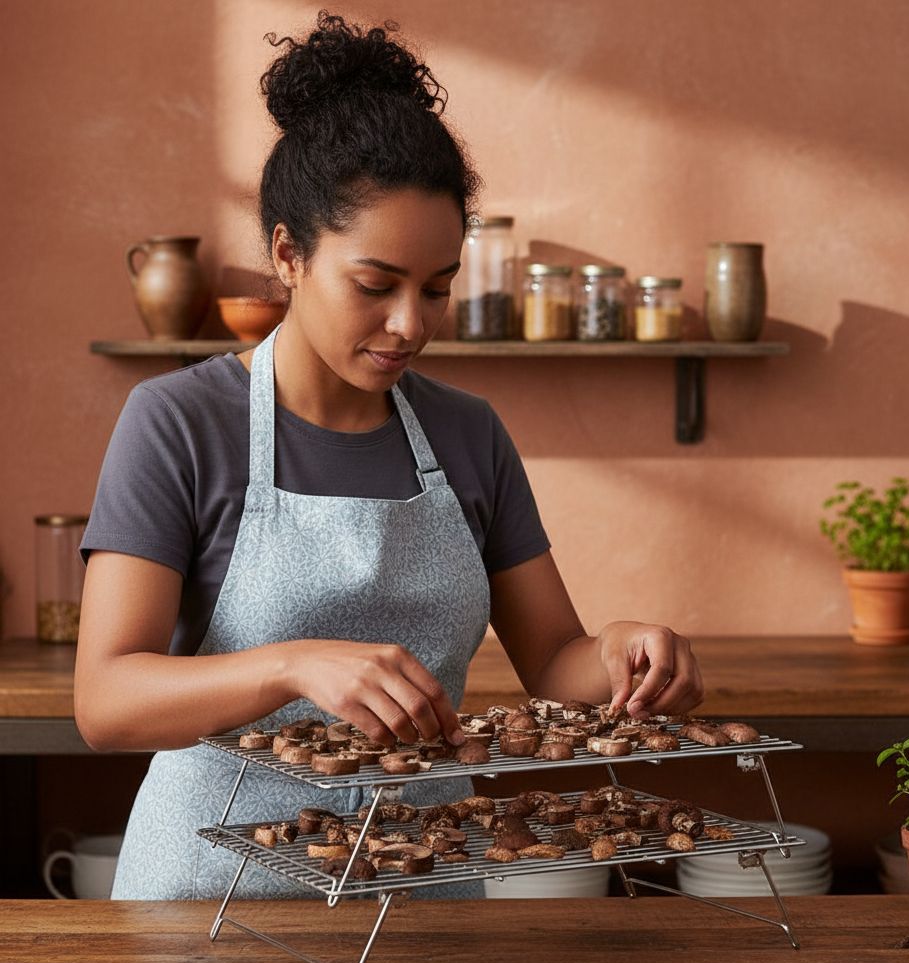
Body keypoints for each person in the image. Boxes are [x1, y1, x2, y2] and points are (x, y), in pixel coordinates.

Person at [74, 13, 703, 900]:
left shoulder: (468, 432)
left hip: (424, 900)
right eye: (375, 286)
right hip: (211, 904)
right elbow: (106, 701)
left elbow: (557, 658)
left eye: (437, 288)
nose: (411, 323)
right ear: (289, 254)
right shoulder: (179, 422)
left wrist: (630, 655)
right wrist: (293, 663)